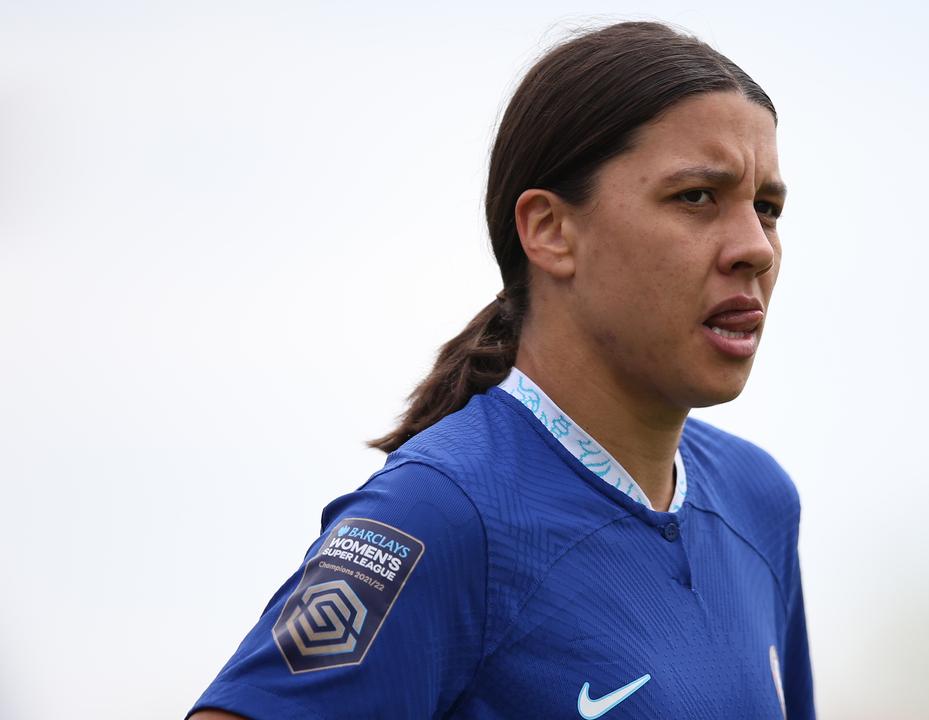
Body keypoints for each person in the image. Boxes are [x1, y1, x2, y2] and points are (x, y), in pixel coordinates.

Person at [189, 20, 812, 719]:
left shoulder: (758, 503)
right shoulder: (435, 517)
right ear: (550, 230)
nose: (754, 248)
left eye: (768, 209)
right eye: (696, 197)